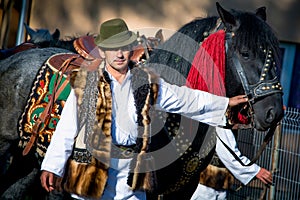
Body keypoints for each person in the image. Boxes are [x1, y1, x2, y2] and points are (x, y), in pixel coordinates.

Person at [40, 18, 248, 200]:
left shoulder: (146, 82)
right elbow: (67, 128)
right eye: (113, 48)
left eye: (124, 47)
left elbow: (186, 98)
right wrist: (52, 166)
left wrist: (225, 103)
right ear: (103, 51)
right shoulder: (86, 83)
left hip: (130, 176)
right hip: (93, 172)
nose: (119, 54)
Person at [190, 127, 273, 200]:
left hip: (217, 181)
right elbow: (227, 152)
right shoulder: (222, 117)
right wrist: (255, 171)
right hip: (205, 184)